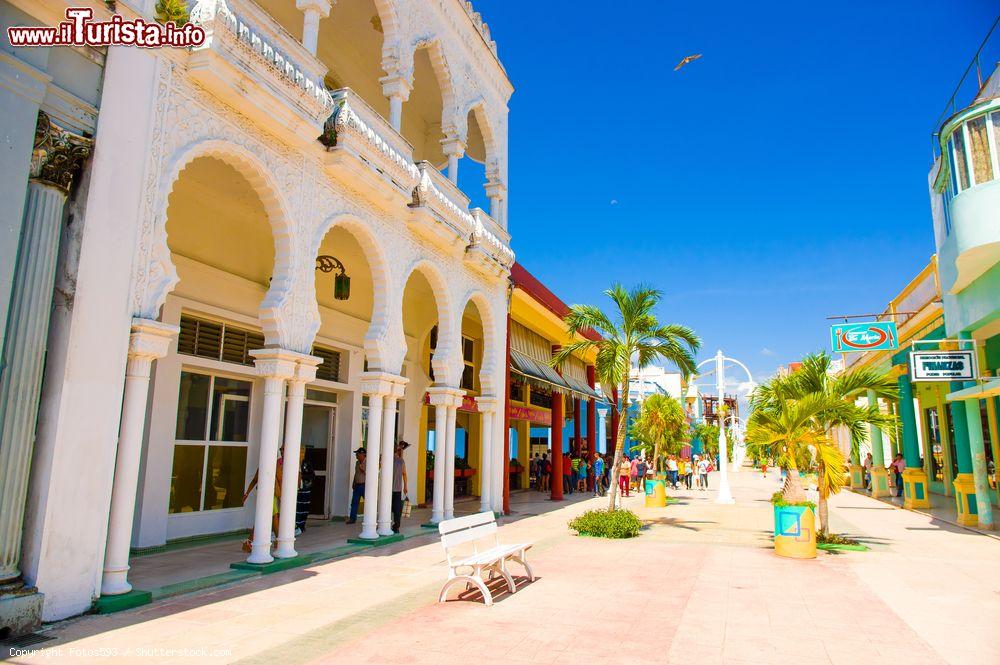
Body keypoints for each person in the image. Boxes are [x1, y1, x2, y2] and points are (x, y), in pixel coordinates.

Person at [391, 441, 409, 533]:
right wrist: (405, 486)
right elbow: (404, 474)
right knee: (397, 510)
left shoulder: (386, 459)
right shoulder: (401, 461)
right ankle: (396, 527)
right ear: (398, 451)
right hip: (397, 489)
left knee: (386, 508)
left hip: (387, 490)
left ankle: (384, 524)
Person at [296, 446, 315, 534]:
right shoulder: (293, 461)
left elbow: (311, 475)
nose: (301, 453)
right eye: (300, 451)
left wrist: (302, 476)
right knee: (297, 508)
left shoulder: (306, 464)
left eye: (303, 452)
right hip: (296, 490)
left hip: (305, 489)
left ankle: (302, 526)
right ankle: (297, 526)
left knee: (304, 508)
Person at [346, 447, 366, 525]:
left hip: (364, 485)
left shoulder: (368, 462)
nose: (356, 456)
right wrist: (354, 482)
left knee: (368, 503)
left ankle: (369, 518)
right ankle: (352, 518)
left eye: (358, 454)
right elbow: (356, 473)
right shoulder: (357, 463)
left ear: (362, 454)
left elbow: (370, 474)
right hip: (357, 485)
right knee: (354, 502)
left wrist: (363, 469)